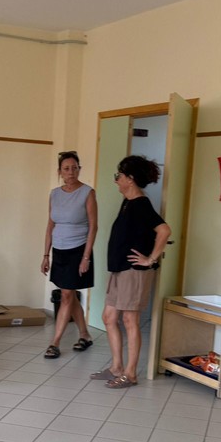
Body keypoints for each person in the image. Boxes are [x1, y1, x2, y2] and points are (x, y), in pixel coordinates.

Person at [91, 155, 171, 388]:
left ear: (130, 179)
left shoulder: (141, 204)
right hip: (119, 269)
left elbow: (164, 230)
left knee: (129, 319)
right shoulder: (127, 202)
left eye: (119, 176)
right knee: (108, 317)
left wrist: (150, 259)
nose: (116, 180)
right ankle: (116, 367)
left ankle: (131, 373)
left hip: (133, 272)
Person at [41, 150, 97, 359]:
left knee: (66, 294)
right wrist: (46, 255)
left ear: (79, 169)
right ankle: (85, 335)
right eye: (66, 168)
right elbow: (50, 225)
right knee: (69, 294)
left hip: (78, 249)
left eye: (75, 168)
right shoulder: (54, 194)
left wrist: (86, 257)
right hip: (59, 250)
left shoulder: (87, 193)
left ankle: (55, 343)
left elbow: (93, 226)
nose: (71, 172)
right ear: (60, 171)